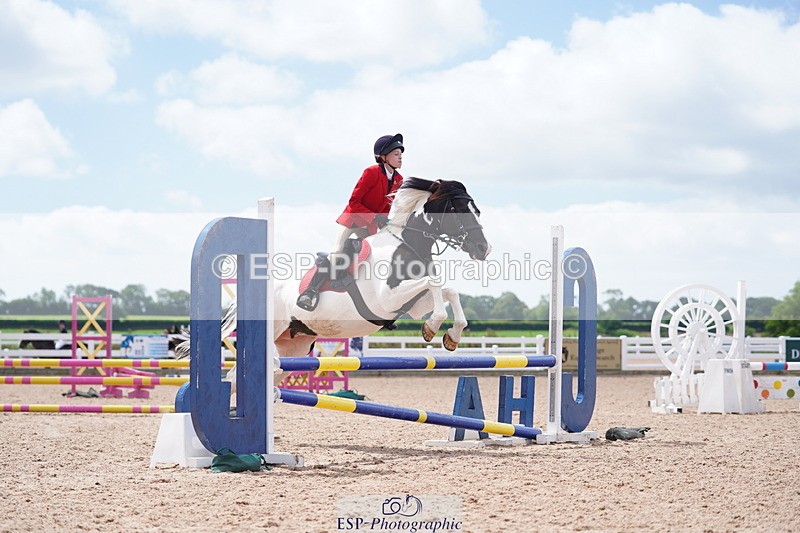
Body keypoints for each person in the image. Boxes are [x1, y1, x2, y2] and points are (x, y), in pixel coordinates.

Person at [296, 133, 405, 311]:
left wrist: (383, 221)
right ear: (383, 157)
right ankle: (310, 291)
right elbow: (354, 202)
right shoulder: (371, 172)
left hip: (370, 223)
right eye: (396, 154)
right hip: (353, 219)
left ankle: (376, 301)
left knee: (376, 255)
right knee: (338, 251)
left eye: (401, 154)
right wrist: (374, 217)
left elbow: (386, 205)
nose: (400, 157)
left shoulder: (399, 180)